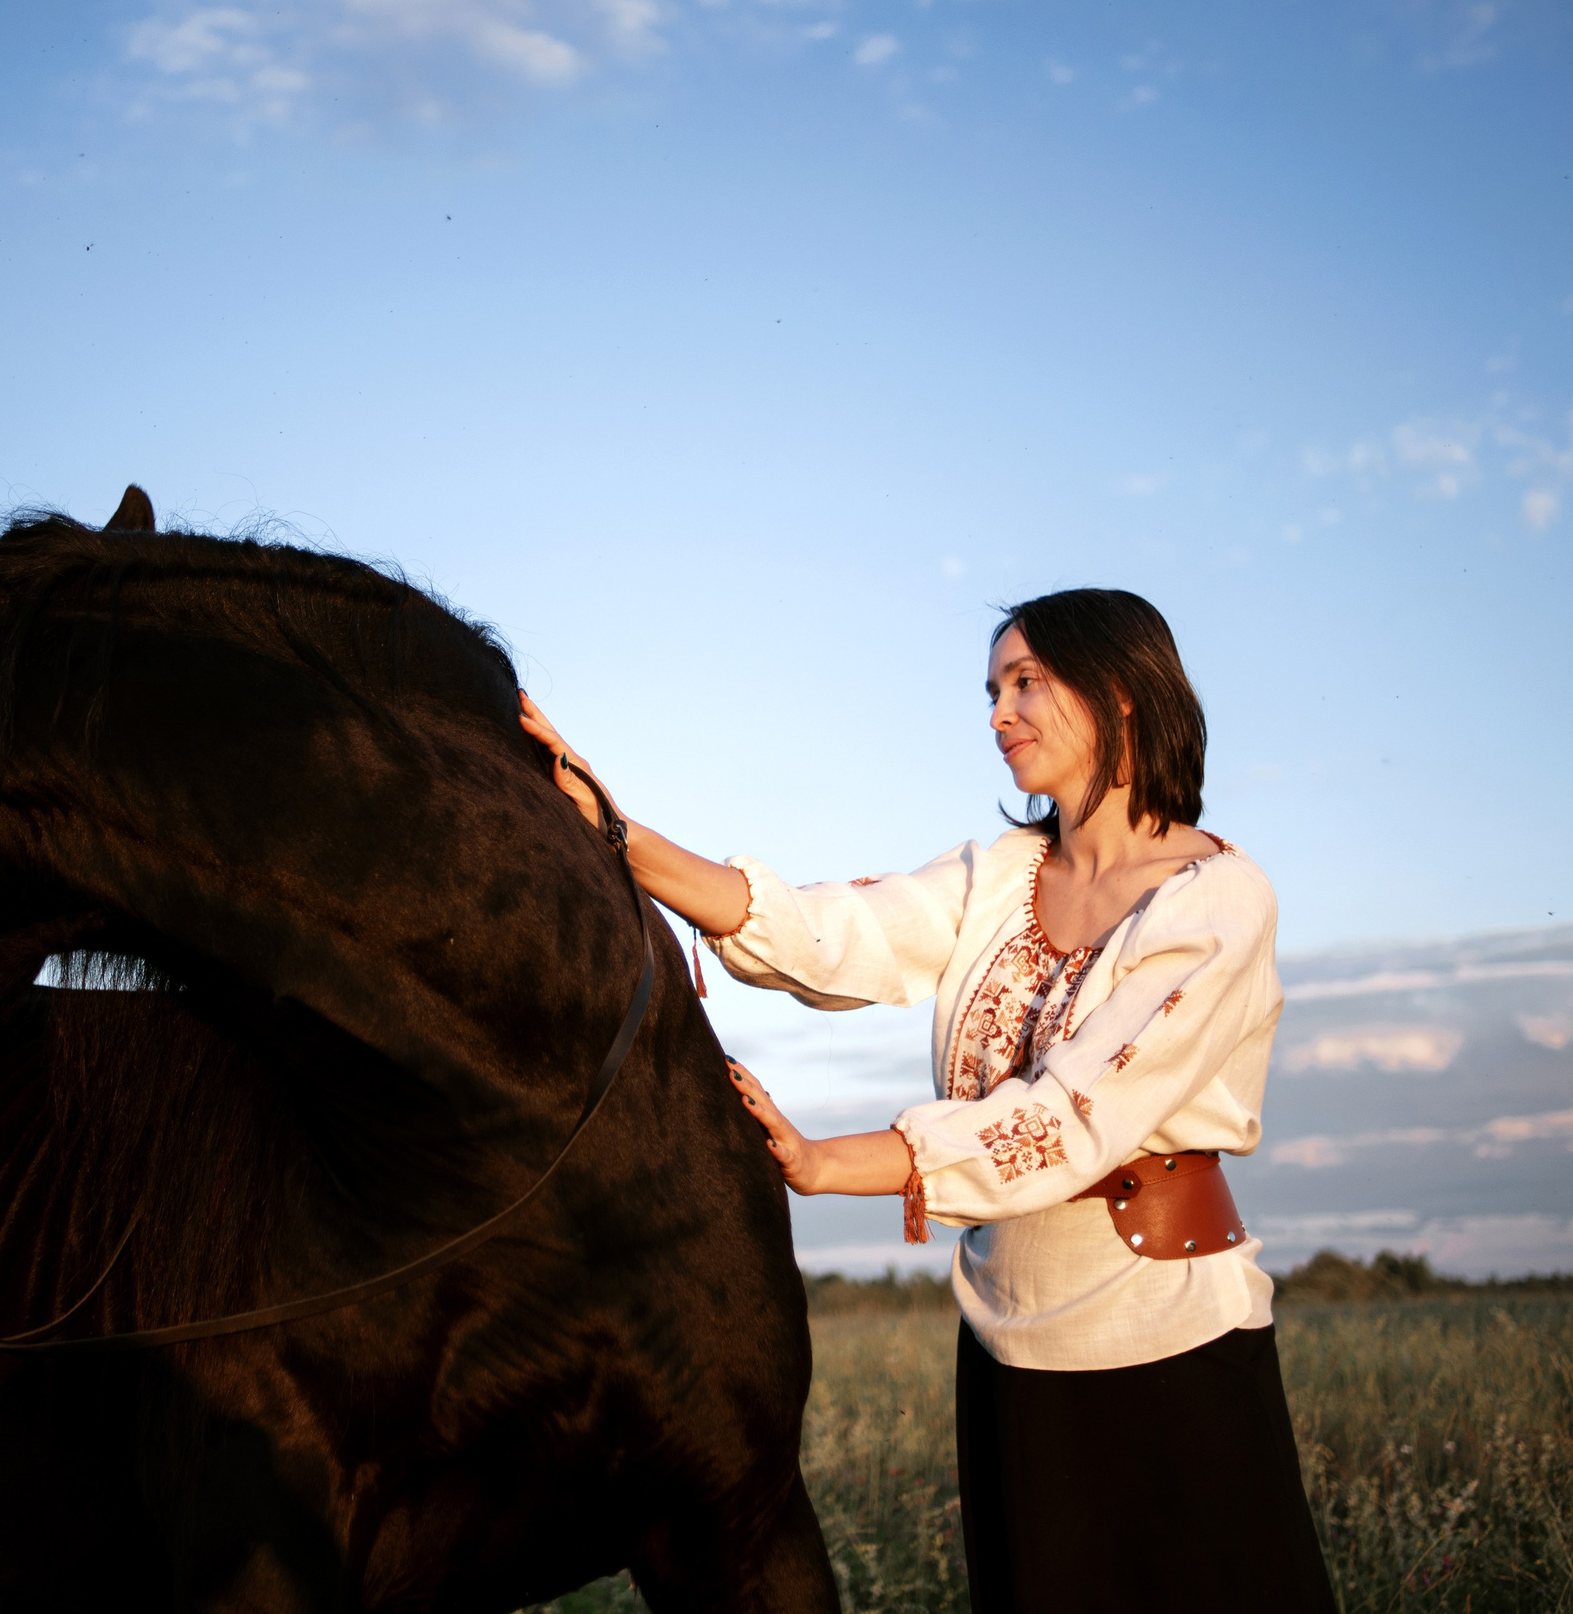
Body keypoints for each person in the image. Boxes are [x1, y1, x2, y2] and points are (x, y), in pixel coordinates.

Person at [519, 588, 1336, 1610]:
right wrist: (611, 827)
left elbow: (1072, 1112)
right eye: (993, 688)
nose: (999, 711)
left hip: (1163, 1329)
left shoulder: (1215, 897)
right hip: (1003, 1329)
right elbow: (832, 930)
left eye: (1026, 681)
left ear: (1121, 692)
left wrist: (829, 1163)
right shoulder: (996, 874)